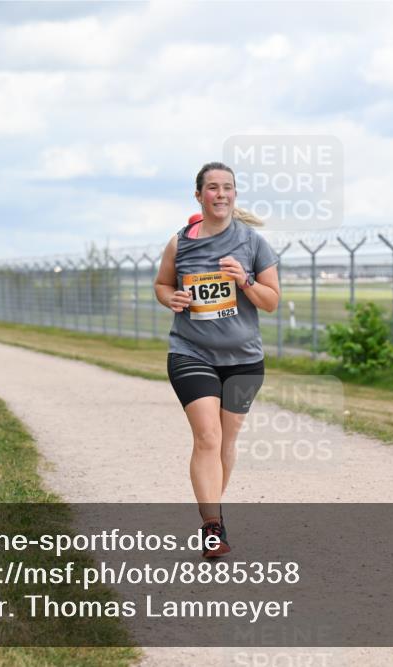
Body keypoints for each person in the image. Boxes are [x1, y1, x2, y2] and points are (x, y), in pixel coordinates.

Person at [153, 162, 281, 558]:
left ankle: (213, 513)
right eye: (212, 187)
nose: (220, 194)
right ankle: (213, 528)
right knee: (207, 436)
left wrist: (244, 279)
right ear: (199, 196)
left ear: (234, 195)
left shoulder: (253, 244)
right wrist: (169, 298)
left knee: (227, 439)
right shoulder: (180, 243)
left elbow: (272, 302)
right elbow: (162, 284)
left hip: (243, 359)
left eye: (227, 187)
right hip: (190, 351)